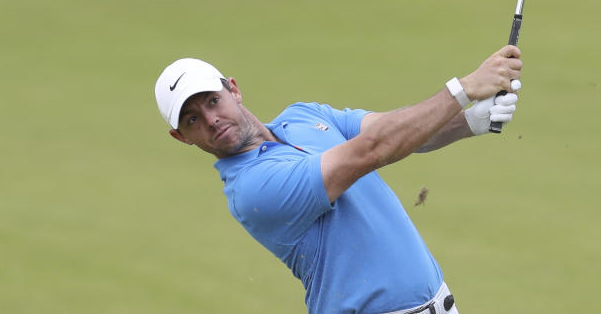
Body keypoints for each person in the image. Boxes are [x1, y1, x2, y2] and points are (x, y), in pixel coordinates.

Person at [154, 45, 523, 314]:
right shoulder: (253, 190)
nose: (210, 119)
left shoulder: (303, 116)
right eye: (191, 119)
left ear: (233, 89)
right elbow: (372, 149)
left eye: (212, 101)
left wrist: (471, 121)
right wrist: (462, 90)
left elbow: (399, 132)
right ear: (181, 137)